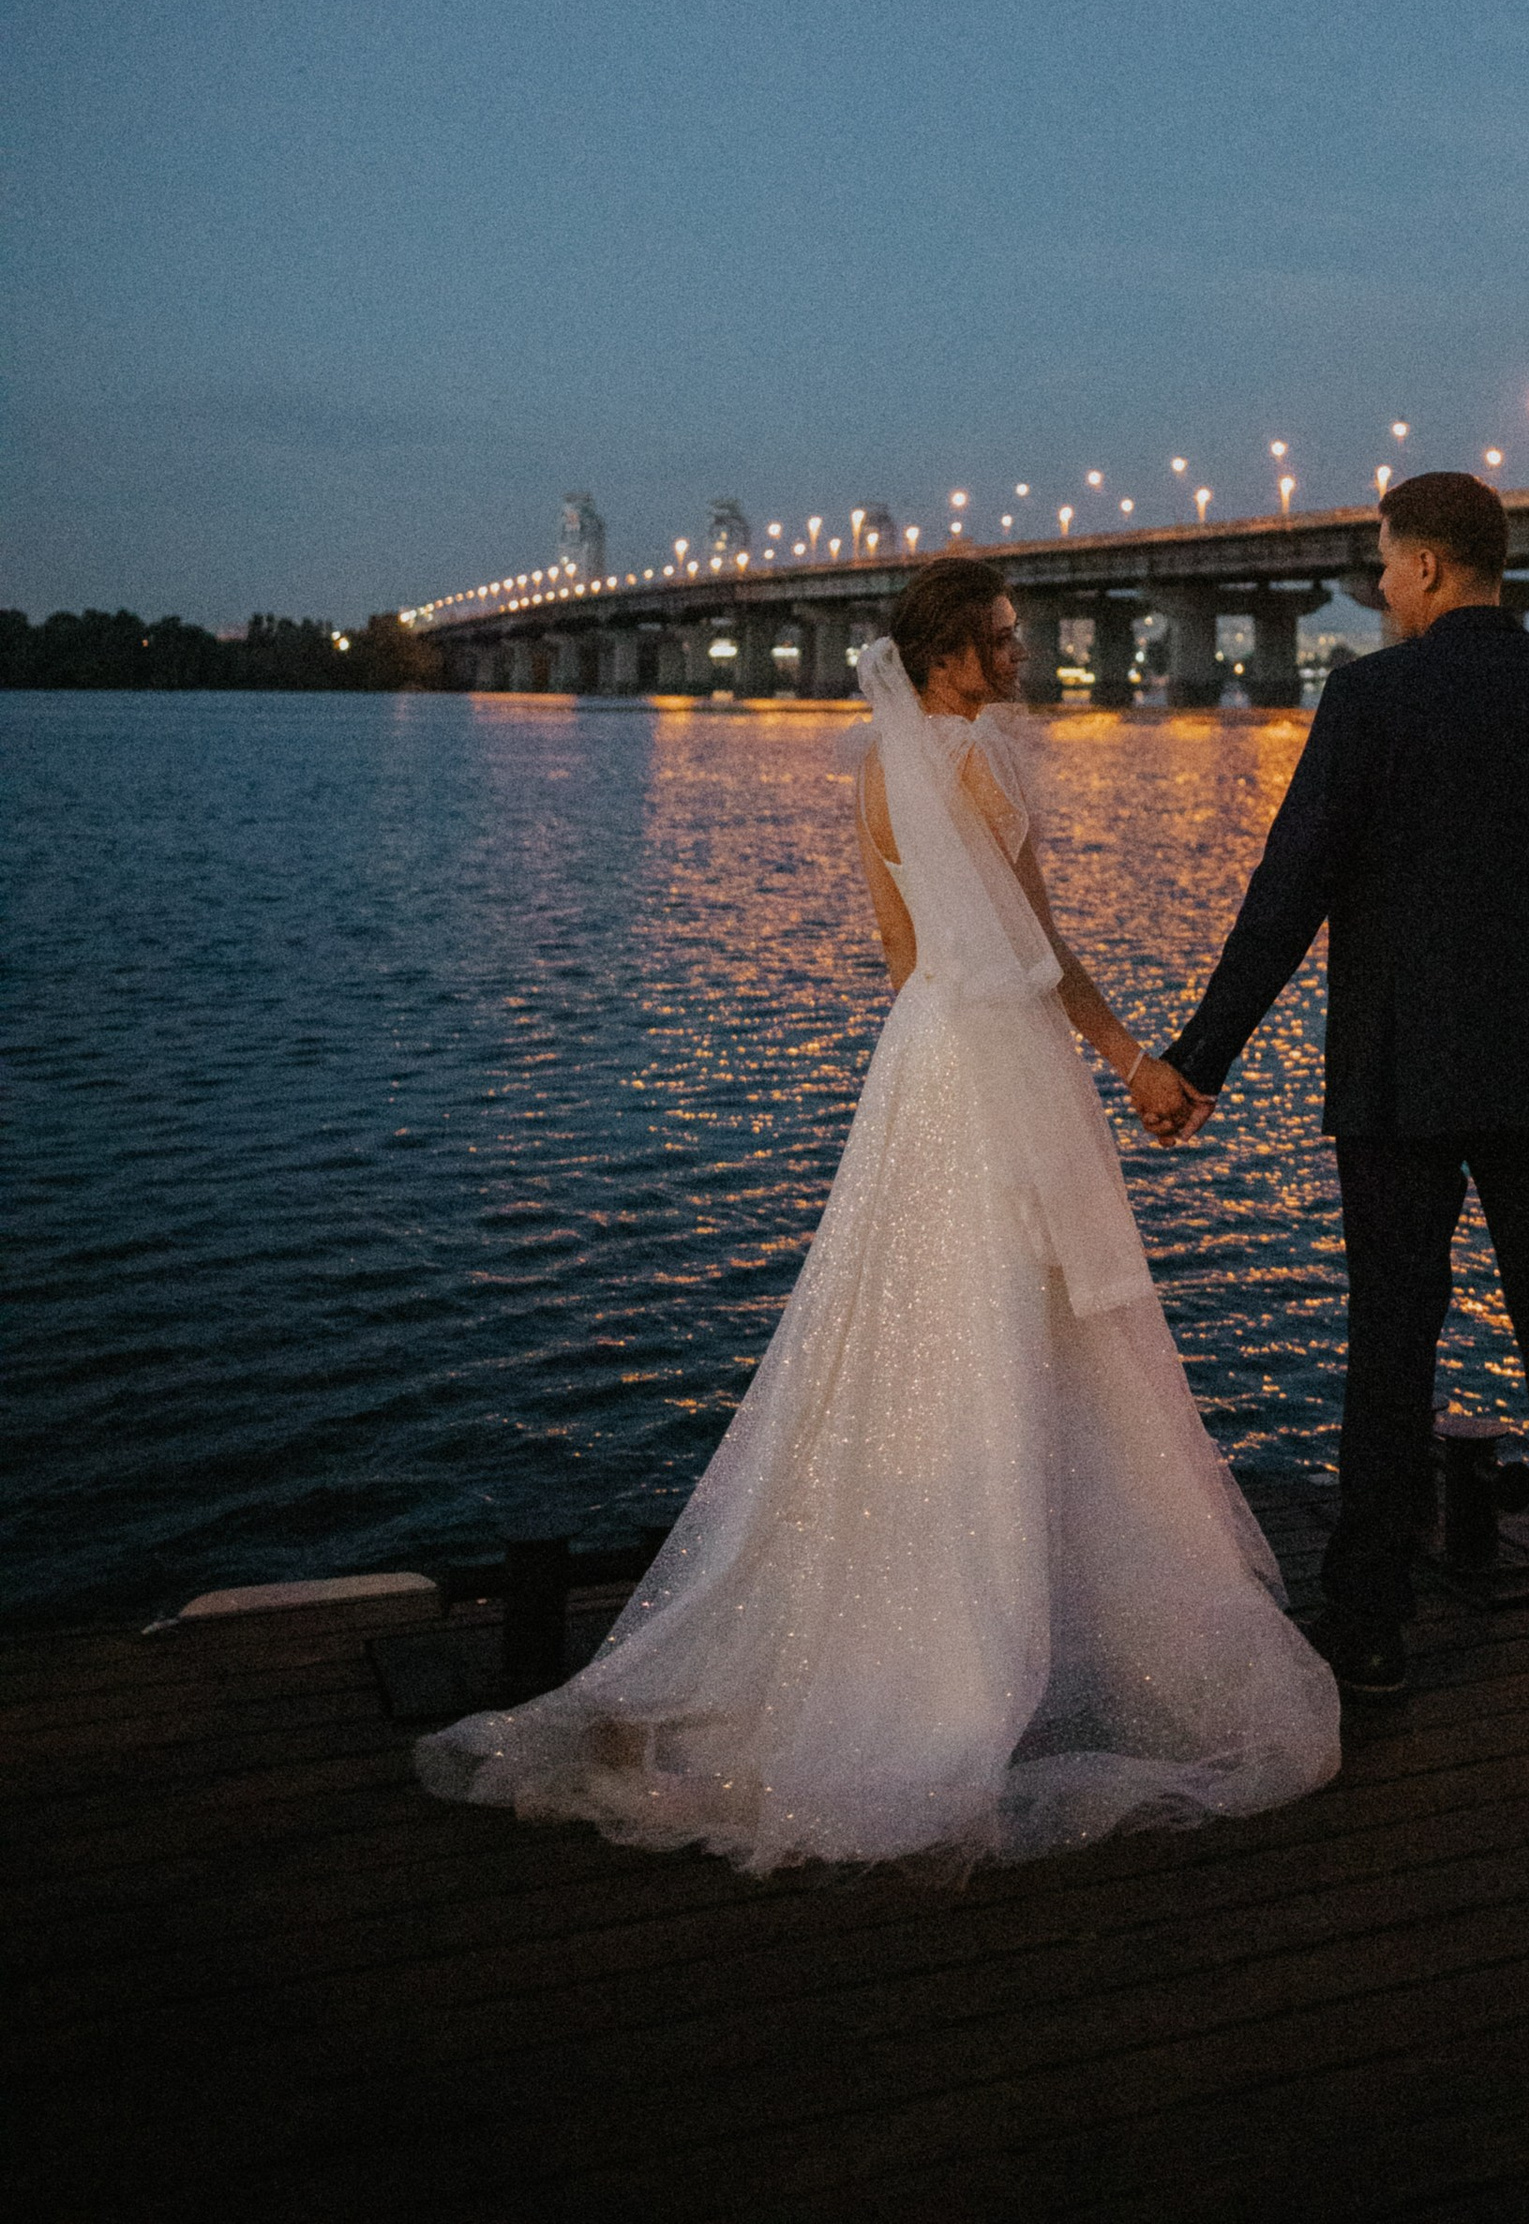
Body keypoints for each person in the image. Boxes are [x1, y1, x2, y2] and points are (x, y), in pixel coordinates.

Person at [415, 556, 1338, 1872]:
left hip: (921, 1060)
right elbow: (1042, 943)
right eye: (1006, 641)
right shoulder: (994, 763)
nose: (1023, 657)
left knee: (908, 1317)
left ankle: (909, 1597)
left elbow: (903, 955)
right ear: (954, 652)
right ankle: (1013, 1629)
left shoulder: (872, 766)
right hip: (1004, 1055)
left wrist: (973, 1002)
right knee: (1034, 1313)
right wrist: (1133, 1058)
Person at [1151, 471, 1529, 1698]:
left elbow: (1291, 893)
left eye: (1383, 562)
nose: (1377, 586)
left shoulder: (1372, 698)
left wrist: (1196, 1059)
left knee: (1390, 1346)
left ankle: (1370, 1628)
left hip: (1400, 1078)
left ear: (1428, 566)